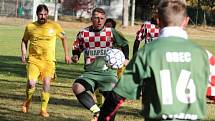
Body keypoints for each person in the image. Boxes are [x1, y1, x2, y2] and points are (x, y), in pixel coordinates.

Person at [98, 0, 215, 121]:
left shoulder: (146, 53)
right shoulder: (204, 55)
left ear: (158, 21)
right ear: (186, 21)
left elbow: (117, 96)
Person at [71, 8, 129, 121]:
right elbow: (77, 47)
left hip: (108, 74)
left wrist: (126, 58)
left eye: (102, 18)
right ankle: (97, 111)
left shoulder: (111, 32)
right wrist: (76, 55)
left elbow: (125, 44)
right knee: (77, 87)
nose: (99, 21)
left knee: (114, 99)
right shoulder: (84, 33)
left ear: (105, 19)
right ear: (92, 18)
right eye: (96, 18)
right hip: (90, 73)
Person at [21, 4, 71, 117]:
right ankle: (27, 102)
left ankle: (43, 109)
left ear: (47, 14)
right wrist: (24, 53)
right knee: (31, 83)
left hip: (49, 61)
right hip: (34, 60)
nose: (43, 16)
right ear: (37, 15)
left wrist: (67, 55)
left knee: (47, 83)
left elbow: (64, 37)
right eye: (40, 14)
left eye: (45, 14)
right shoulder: (30, 27)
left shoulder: (54, 26)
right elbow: (24, 41)